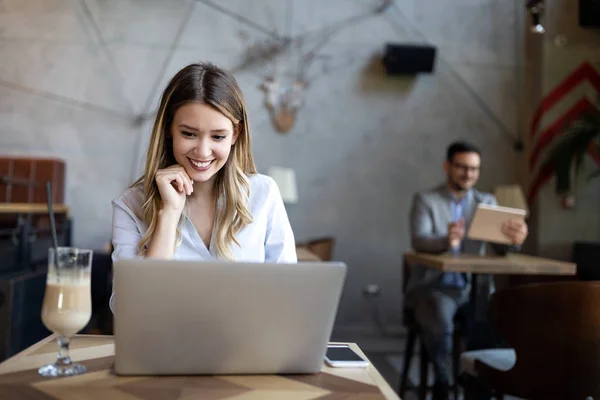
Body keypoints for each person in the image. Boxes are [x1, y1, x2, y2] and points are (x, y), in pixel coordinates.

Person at [109, 62, 297, 312]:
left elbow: (289, 296)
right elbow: (130, 309)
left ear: (235, 135)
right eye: (188, 134)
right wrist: (168, 215)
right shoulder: (130, 204)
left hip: (248, 348)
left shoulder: (263, 194)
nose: (203, 151)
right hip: (166, 349)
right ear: (168, 129)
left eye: (218, 136)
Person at [406, 141, 528, 400]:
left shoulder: (486, 201)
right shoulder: (426, 199)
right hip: (435, 286)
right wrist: (444, 241)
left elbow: (500, 250)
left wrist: (515, 239)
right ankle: (444, 383)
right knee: (439, 315)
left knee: (498, 315)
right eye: (462, 167)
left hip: (474, 287)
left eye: (474, 169)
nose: (468, 174)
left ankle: (480, 384)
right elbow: (418, 240)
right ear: (447, 166)